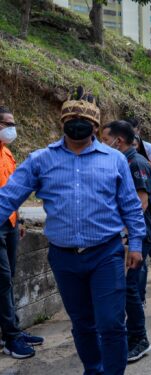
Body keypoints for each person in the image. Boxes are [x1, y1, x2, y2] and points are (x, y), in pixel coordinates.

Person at [0, 87, 145, 374]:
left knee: (111, 322)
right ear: (62, 122)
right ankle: (93, 368)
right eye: (72, 118)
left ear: (95, 126)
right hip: (65, 258)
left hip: (106, 253)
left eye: (86, 121)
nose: (78, 124)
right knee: (82, 323)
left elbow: (130, 204)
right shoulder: (40, 159)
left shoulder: (114, 159)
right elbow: (8, 197)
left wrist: (137, 243)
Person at [100, 120, 151, 363]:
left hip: (136, 235)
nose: (102, 145)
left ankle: (139, 339)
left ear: (118, 141)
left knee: (130, 288)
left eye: (104, 140)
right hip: (126, 235)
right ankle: (126, 334)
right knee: (125, 288)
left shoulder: (136, 163)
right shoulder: (121, 161)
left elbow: (140, 205)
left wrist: (126, 237)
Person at [0, 107, 44, 359]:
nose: (12, 128)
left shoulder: (7, 153)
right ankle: (11, 337)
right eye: (7, 123)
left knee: (9, 278)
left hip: (11, 223)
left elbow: (13, 190)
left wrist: (21, 219)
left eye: (13, 122)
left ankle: (12, 329)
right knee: (3, 280)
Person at [126, 117, 151, 287]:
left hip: (146, 189)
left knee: (149, 231)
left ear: (138, 130)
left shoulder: (146, 148)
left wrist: (144, 166)